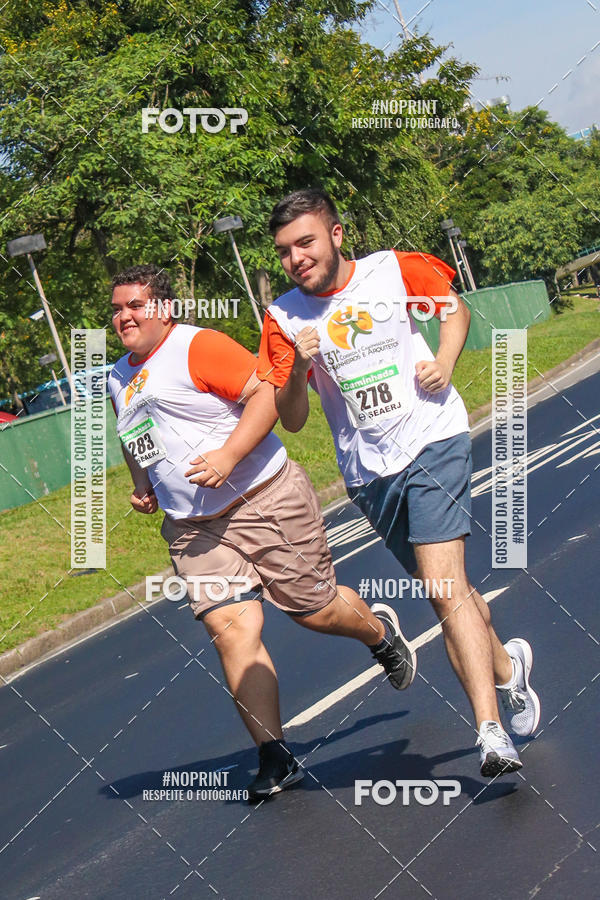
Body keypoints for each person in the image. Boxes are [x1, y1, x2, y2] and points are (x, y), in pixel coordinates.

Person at [257, 188, 541, 777]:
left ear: (336, 234)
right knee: (451, 596)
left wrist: (445, 360)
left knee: (443, 586)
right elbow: (291, 417)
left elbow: (453, 308)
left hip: (433, 439)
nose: (296, 259)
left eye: (306, 242)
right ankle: (510, 671)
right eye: (285, 251)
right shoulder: (283, 318)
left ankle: (489, 736)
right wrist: (301, 367)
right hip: (368, 472)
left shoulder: (394, 270)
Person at [107, 264, 416, 800]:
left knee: (313, 609)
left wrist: (228, 455)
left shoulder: (198, 347)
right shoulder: (117, 376)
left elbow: (267, 395)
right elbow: (138, 436)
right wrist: (143, 485)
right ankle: (275, 755)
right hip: (193, 528)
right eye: (117, 308)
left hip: (263, 499)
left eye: (136, 305)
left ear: (164, 308)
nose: (124, 316)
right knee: (232, 632)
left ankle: (378, 633)